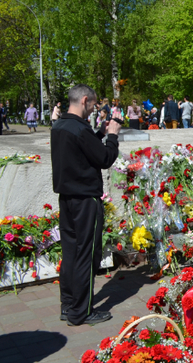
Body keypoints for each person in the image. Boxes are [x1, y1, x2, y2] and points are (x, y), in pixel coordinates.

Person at [51, 84, 120, 326]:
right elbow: (104, 158)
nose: (94, 108)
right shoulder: (80, 128)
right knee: (86, 254)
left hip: (67, 197)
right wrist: (112, 136)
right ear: (84, 100)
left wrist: (99, 134)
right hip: (85, 199)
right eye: (92, 104)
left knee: (70, 252)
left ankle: (69, 305)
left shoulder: (60, 125)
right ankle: (81, 312)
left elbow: (81, 151)